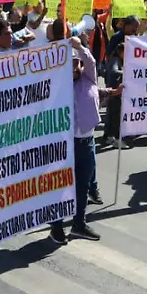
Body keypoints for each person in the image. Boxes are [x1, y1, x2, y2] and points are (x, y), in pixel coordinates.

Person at [49, 38, 101, 244]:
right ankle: (56, 226)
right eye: (69, 64)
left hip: (86, 143)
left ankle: (79, 223)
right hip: (65, 146)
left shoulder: (89, 79)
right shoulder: (58, 86)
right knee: (61, 188)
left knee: (83, 186)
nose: (74, 68)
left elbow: (91, 62)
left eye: (77, 64)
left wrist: (79, 47)